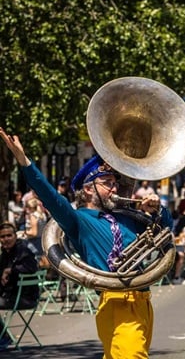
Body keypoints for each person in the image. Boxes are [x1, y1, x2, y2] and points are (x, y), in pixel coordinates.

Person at [0, 127, 173, 358]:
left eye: (114, 182)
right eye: (107, 182)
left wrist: (157, 209)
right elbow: (52, 198)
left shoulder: (127, 217)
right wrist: (25, 163)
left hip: (143, 301)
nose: (115, 187)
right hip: (116, 300)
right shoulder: (80, 221)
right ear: (89, 190)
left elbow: (167, 231)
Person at [0, 222, 39, 350]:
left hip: (25, 297)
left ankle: (4, 337)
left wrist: (10, 270)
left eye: (9, 235)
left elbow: (32, 267)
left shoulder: (23, 250)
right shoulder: (5, 253)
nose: (6, 239)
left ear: (15, 236)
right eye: (2, 237)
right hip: (9, 294)